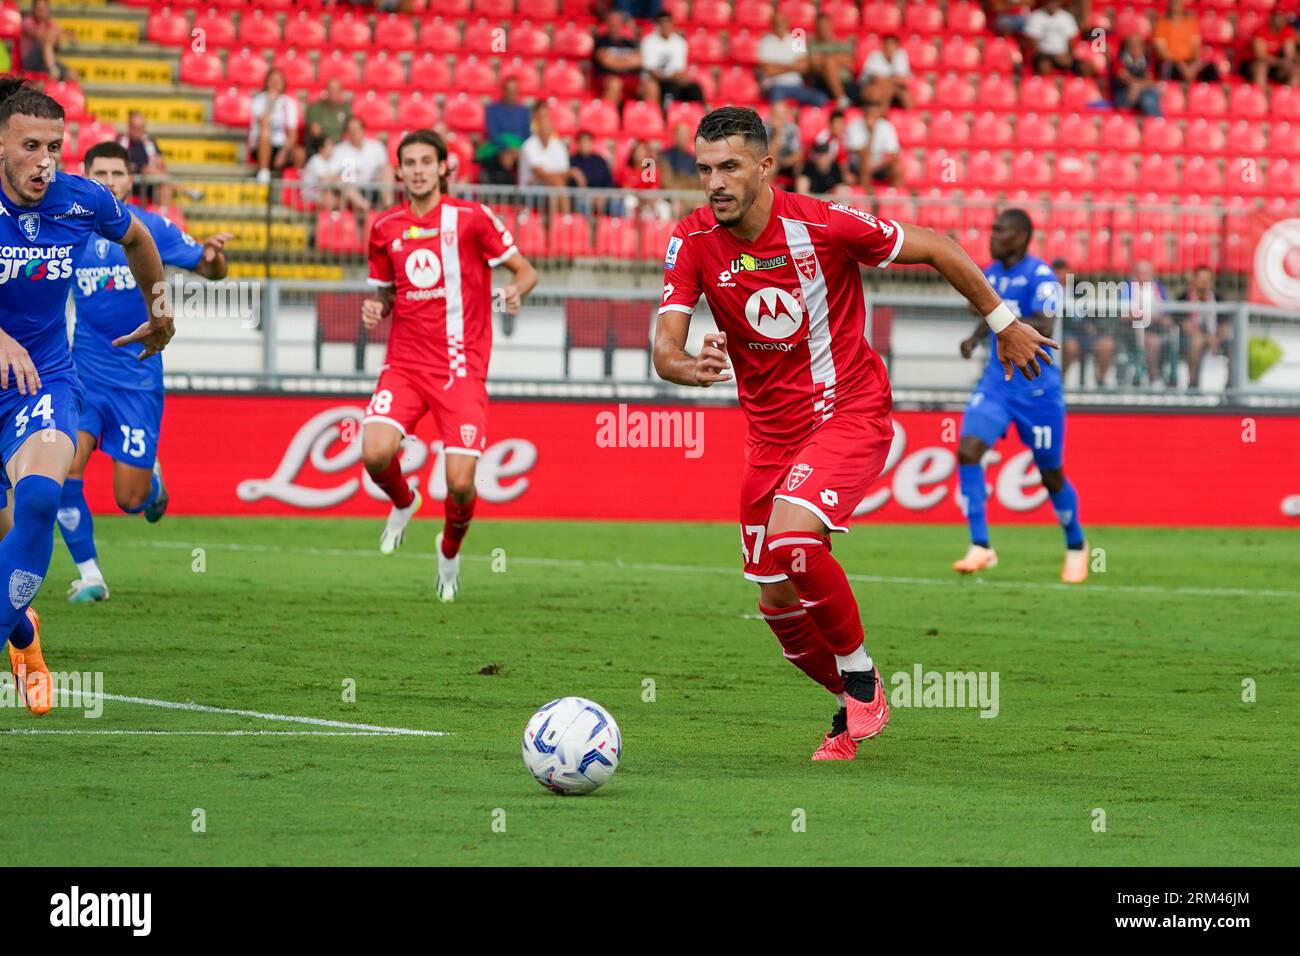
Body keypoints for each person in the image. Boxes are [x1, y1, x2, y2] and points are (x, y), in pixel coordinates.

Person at [653, 107, 1054, 759]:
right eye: (703, 169)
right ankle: (848, 703)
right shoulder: (693, 239)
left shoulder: (823, 225)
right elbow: (663, 345)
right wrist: (688, 369)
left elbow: (937, 246)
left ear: (764, 166)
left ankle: (863, 678)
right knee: (777, 605)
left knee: (794, 541)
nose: (715, 183)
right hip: (768, 437)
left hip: (848, 410)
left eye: (728, 167)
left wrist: (1003, 321)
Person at [0, 79, 172, 711]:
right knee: (3, 544)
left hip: (41, 381)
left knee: (42, 496)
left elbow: (139, 240)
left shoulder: (79, 200)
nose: (45, 160)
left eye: (55, 146)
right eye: (29, 146)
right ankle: (24, 635)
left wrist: (160, 312)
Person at [361, 130, 538, 601]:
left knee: (460, 484)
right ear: (399, 171)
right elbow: (386, 291)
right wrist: (377, 306)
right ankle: (404, 501)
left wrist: (516, 290)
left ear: (443, 167)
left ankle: (450, 548)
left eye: (426, 161)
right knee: (374, 453)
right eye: (409, 162)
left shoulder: (470, 218)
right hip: (403, 364)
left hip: (460, 367)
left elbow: (526, 269)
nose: (417, 169)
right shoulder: (384, 227)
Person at [59, 141, 231, 603]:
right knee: (62, 469)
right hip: (82, 375)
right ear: (87, 176)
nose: (110, 181)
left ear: (130, 180)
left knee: (129, 501)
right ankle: (90, 575)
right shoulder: (68, 228)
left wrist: (214, 258)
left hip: (137, 378)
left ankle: (151, 484)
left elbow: (212, 271)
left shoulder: (150, 227)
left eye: (118, 173)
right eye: (101, 173)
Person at [955, 209, 1088, 584]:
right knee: (967, 450)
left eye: (1001, 230)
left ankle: (1076, 544)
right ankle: (981, 545)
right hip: (996, 385)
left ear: (1023, 236)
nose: (992, 235)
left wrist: (998, 316)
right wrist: (975, 338)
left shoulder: (1041, 275)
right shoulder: (991, 274)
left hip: (1038, 390)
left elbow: (1042, 323)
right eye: (992, 228)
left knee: (1051, 473)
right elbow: (992, 315)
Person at [1056, 256, 1116, 387]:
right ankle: (1060, 379)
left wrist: (1094, 326)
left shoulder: (1080, 289)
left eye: (1064, 271)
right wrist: (1082, 326)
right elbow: (1058, 320)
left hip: (1086, 334)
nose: (1061, 275)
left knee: (1107, 344)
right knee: (1071, 346)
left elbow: (1090, 311)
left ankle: (1101, 380)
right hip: (1066, 334)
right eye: (1058, 271)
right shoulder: (1050, 292)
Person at [758, 12, 827, 107]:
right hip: (776, 85)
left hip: (797, 85)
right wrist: (793, 66)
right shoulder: (766, 42)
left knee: (821, 98)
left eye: (782, 21)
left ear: (787, 23)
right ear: (772, 24)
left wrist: (777, 66)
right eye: (777, 22)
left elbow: (804, 66)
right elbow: (769, 70)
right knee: (777, 99)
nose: (780, 24)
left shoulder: (796, 40)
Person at [639, 11, 702, 106]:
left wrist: (675, 77)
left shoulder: (680, 42)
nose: (665, 26)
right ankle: (665, 115)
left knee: (694, 88)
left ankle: (700, 114)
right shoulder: (648, 41)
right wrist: (670, 76)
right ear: (657, 25)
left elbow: (679, 70)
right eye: (662, 23)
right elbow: (652, 71)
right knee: (669, 88)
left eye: (668, 22)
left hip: (672, 78)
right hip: (654, 79)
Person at [248, 68, 299, 185]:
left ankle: (295, 188)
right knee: (265, 132)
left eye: (278, 81)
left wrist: (284, 153)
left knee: (299, 154)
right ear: (267, 82)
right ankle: (264, 174)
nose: (275, 83)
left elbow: (293, 134)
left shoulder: (289, 103)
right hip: (261, 145)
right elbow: (263, 122)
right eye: (273, 80)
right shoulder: (258, 100)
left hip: (281, 146)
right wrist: (271, 103)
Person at [518, 103, 571, 213]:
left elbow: (565, 172)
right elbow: (539, 171)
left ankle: (560, 225)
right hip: (529, 191)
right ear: (537, 128)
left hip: (548, 187)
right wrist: (555, 179)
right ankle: (561, 223)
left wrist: (545, 177)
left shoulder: (558, 144)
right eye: (542, 127)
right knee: (557, 188)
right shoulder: (529, 145)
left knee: (554, 191)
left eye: (547, 127)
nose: (545, 130)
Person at [333, 116, 393, 209]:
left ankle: (388, 206)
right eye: (351, 129)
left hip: (374, 187)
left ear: (363, 129)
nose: (355, 132)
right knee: (341, 181)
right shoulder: (339, 149)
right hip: (351, 191)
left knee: (387, 169)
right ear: (347, 132)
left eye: (357, 128)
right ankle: (366, 207)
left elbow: (384, 168)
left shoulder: (376, 146)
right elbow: (334, 174)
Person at [480, 77, 531, 186]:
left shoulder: (524, 111)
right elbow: (493, 134)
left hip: (519, 151)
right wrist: (506, 149)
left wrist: (517, 150)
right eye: (509, 90)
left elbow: (527, 135)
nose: (511, 93)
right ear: (504, 90)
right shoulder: (493, 109)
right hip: (498, 150)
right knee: (505, 160)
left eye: (514, 90)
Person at [1153, 0, 1218, 82]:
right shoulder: (1161, 24)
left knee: (1211, 68)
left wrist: (1194, 66)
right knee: (1169, 67)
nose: (1176, 8)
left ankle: (1208, 92)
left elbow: (1196, 47)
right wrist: (1181, 64)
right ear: (1169, 6)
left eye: (1178, 4)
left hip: (1189, 61)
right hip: (1172, 62)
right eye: (1173, 4)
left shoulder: (1191, 23)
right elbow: (1161, 51)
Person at [845, 98, 903, 186]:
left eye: (875, 115)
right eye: (869, 114)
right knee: (865, 165)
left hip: (879, 164)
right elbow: (863, 154)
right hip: (859, 164)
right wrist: (871, 134)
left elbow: (893, 153)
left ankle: (897, 196)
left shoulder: (886, 126)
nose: (872, 118)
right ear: (864, 113)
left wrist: (878, 165)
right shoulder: (854, 126)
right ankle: (865, 197)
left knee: (898, 168)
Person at [1178, 264, 1219, 390]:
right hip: (1188, 339)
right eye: (1201, 279)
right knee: (1196, 342)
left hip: (1215, 337)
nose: (1203, 283)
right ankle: (1193, 384)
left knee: (1234, 345)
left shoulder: (1218, 298)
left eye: (1207, 280)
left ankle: (1229, 387)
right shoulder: (1184, 298)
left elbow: (1225, 323)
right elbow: (1179, 320)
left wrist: (1216, 336)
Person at [807, 12, 858, 107]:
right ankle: (842, 99)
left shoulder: (843, 44)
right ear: (816, 28)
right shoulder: (813, 45)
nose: (823, 28)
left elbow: (850, 63)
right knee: (828, 62)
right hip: (823, 84)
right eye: (820, 26)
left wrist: (827, 60)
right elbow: (814, 64)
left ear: (832, 25)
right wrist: (837, 60)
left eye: (826, 25)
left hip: (846, 82)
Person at [117, 110, 168, 205]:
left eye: (140, 127)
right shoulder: (120, 142)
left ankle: (163, 212)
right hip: (126, 186)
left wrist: (153, 169)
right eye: (134, 127)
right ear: (129, 126)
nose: (137, 130)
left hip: (148, 188)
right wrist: (137, 169)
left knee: (165, 179)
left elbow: (162, 166)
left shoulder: (150, 144)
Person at [593, 9, 642, 103]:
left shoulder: (629, 43)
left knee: (650, 86)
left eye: (617, 21)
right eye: (612, 21)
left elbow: (639, 61)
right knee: (615, 83)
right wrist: (627, 61)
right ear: (607, 23)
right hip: (607, 78)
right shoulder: (601, 41)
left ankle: (650, 117)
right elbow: (605, 61)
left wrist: (616, 61)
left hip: (630, 78)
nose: (614, 24)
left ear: (621, 23)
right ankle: (609, 116)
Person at [1242, 9, 1298, 87]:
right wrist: (1281, 62)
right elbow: (1260, 56)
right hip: (1252, 63)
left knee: (1295, 69)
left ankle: (1291, 96)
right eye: (1278, 17)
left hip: (1274, 65)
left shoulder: (1287, 31)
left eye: (1282, 17)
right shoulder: (1260, 31)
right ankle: (1261, 95)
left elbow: (1289, 54)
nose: (1280, 20)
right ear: (1271, 18)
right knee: (1261, 67)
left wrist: (1288, 62)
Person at [567, 130, 618, 215]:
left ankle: (604, 227)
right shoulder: (572, 161)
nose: (584, 144)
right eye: (582, 141)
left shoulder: (600, 160)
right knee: (584, 204)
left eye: (587, 141)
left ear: (591, 143)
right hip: (580, 197)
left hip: (601, 196)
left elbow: (608, 181)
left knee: (615, 204)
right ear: (577, 143)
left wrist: (603, 195)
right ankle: (585, 227)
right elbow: (571, 185)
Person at [1112, 34, 1162, 116]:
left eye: (1139, 45)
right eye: (1132, 45)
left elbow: (1150, 80)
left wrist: (1138, 87)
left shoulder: (1147, 61)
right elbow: (1127, 79)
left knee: (1149, 96)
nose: (1136, 48)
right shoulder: (1119, 61)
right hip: (1124, 95)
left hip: (1140, 93)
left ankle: (1156, 123)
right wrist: (1140, 85)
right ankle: (1158, 123)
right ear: (1126, 47)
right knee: (1149, 96)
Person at [1024, 0, 1079, 75]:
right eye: (1049, 1)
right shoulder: (1036, 16)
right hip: (1043, 55)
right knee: (1044, 65)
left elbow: (1072, 41)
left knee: (1082, 66)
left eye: (1054, 1)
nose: (1052, 4)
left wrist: (1069, 55)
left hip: (1063, 54)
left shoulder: (1067, 17)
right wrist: (1053, 56)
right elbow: (1033, 43)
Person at [859, 33, 912, 109]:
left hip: (892, 87)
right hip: (871, 87)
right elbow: (875, 79)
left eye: (892, 44)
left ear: (897, 46)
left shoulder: (901, 54)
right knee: (882, 91)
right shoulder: (875, 55)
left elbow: (901, 79)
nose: (889, 47)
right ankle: (881, 116)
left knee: (907, 97)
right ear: (882, 45)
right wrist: (893, 81)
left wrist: (890, 82)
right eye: (887, 44)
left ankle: (909, 118)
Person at [20, 0, 69, 79]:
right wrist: (56, 33)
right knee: (46, 43)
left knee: (72, 75)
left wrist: (56, 36)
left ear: (48, 9)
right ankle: (52, 70)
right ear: (33, 9)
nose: (41, 12)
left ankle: (53, 71)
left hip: (44, 62)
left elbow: (56, 45)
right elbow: (41, 36)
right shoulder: (27, 22)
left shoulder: (51, 24)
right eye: (38, 9)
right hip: (29, 61)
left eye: (43, 9)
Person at [304, 78, 351, 159]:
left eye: (336, 89)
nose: (333, 92)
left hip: (340, 146)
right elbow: (316, 132)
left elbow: (350, 129)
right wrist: (330, 145)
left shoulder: (345, 108)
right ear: (326, 91)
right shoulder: (316, 107)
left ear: (341, 91)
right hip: (320, 146)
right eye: (331, 89)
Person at [764, 99, 803, 186]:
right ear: (771, 115)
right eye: (777, 115)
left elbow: (798, 154)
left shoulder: (792, 129)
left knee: (799, 165)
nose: (780, 119)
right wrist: (777, 133)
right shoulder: (765, 129)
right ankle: (769, 195)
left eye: (782, 115)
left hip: (786, 160)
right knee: (772, 167)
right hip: (771, 161)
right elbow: (769, 154)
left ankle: (795, 194)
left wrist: (784, 161)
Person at [657, 122, 697, 190]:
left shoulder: (692, 159)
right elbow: (665, 180)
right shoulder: (664, 155)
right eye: (680, 133)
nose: (683, 136)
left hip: (687, 194)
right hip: (669, 194)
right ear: (674, 135)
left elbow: (695, 181)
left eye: (685, 133)